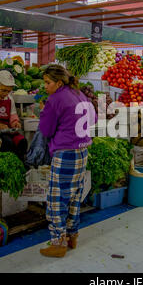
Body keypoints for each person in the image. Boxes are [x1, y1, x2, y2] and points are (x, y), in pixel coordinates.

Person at [38, 65, 96, 258]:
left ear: (59, 82)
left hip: (65, 154)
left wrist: (44, 111)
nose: (45, 86)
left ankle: (58, 244)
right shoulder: (79, 94)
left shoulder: (56, 99)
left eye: (48, 82)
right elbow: (93, 119)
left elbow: (45, 130)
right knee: (74, 198)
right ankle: (72, 236)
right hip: (82, 153)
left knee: (56, 200)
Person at [0, 70, 28, 162]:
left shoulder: (9, 98)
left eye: (8, 91)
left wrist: (15, 122)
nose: (5, 94)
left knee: (22, 141)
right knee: (7, 142)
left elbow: (12, 114)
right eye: (3, 90)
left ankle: (20, 165)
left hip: (7, 130)